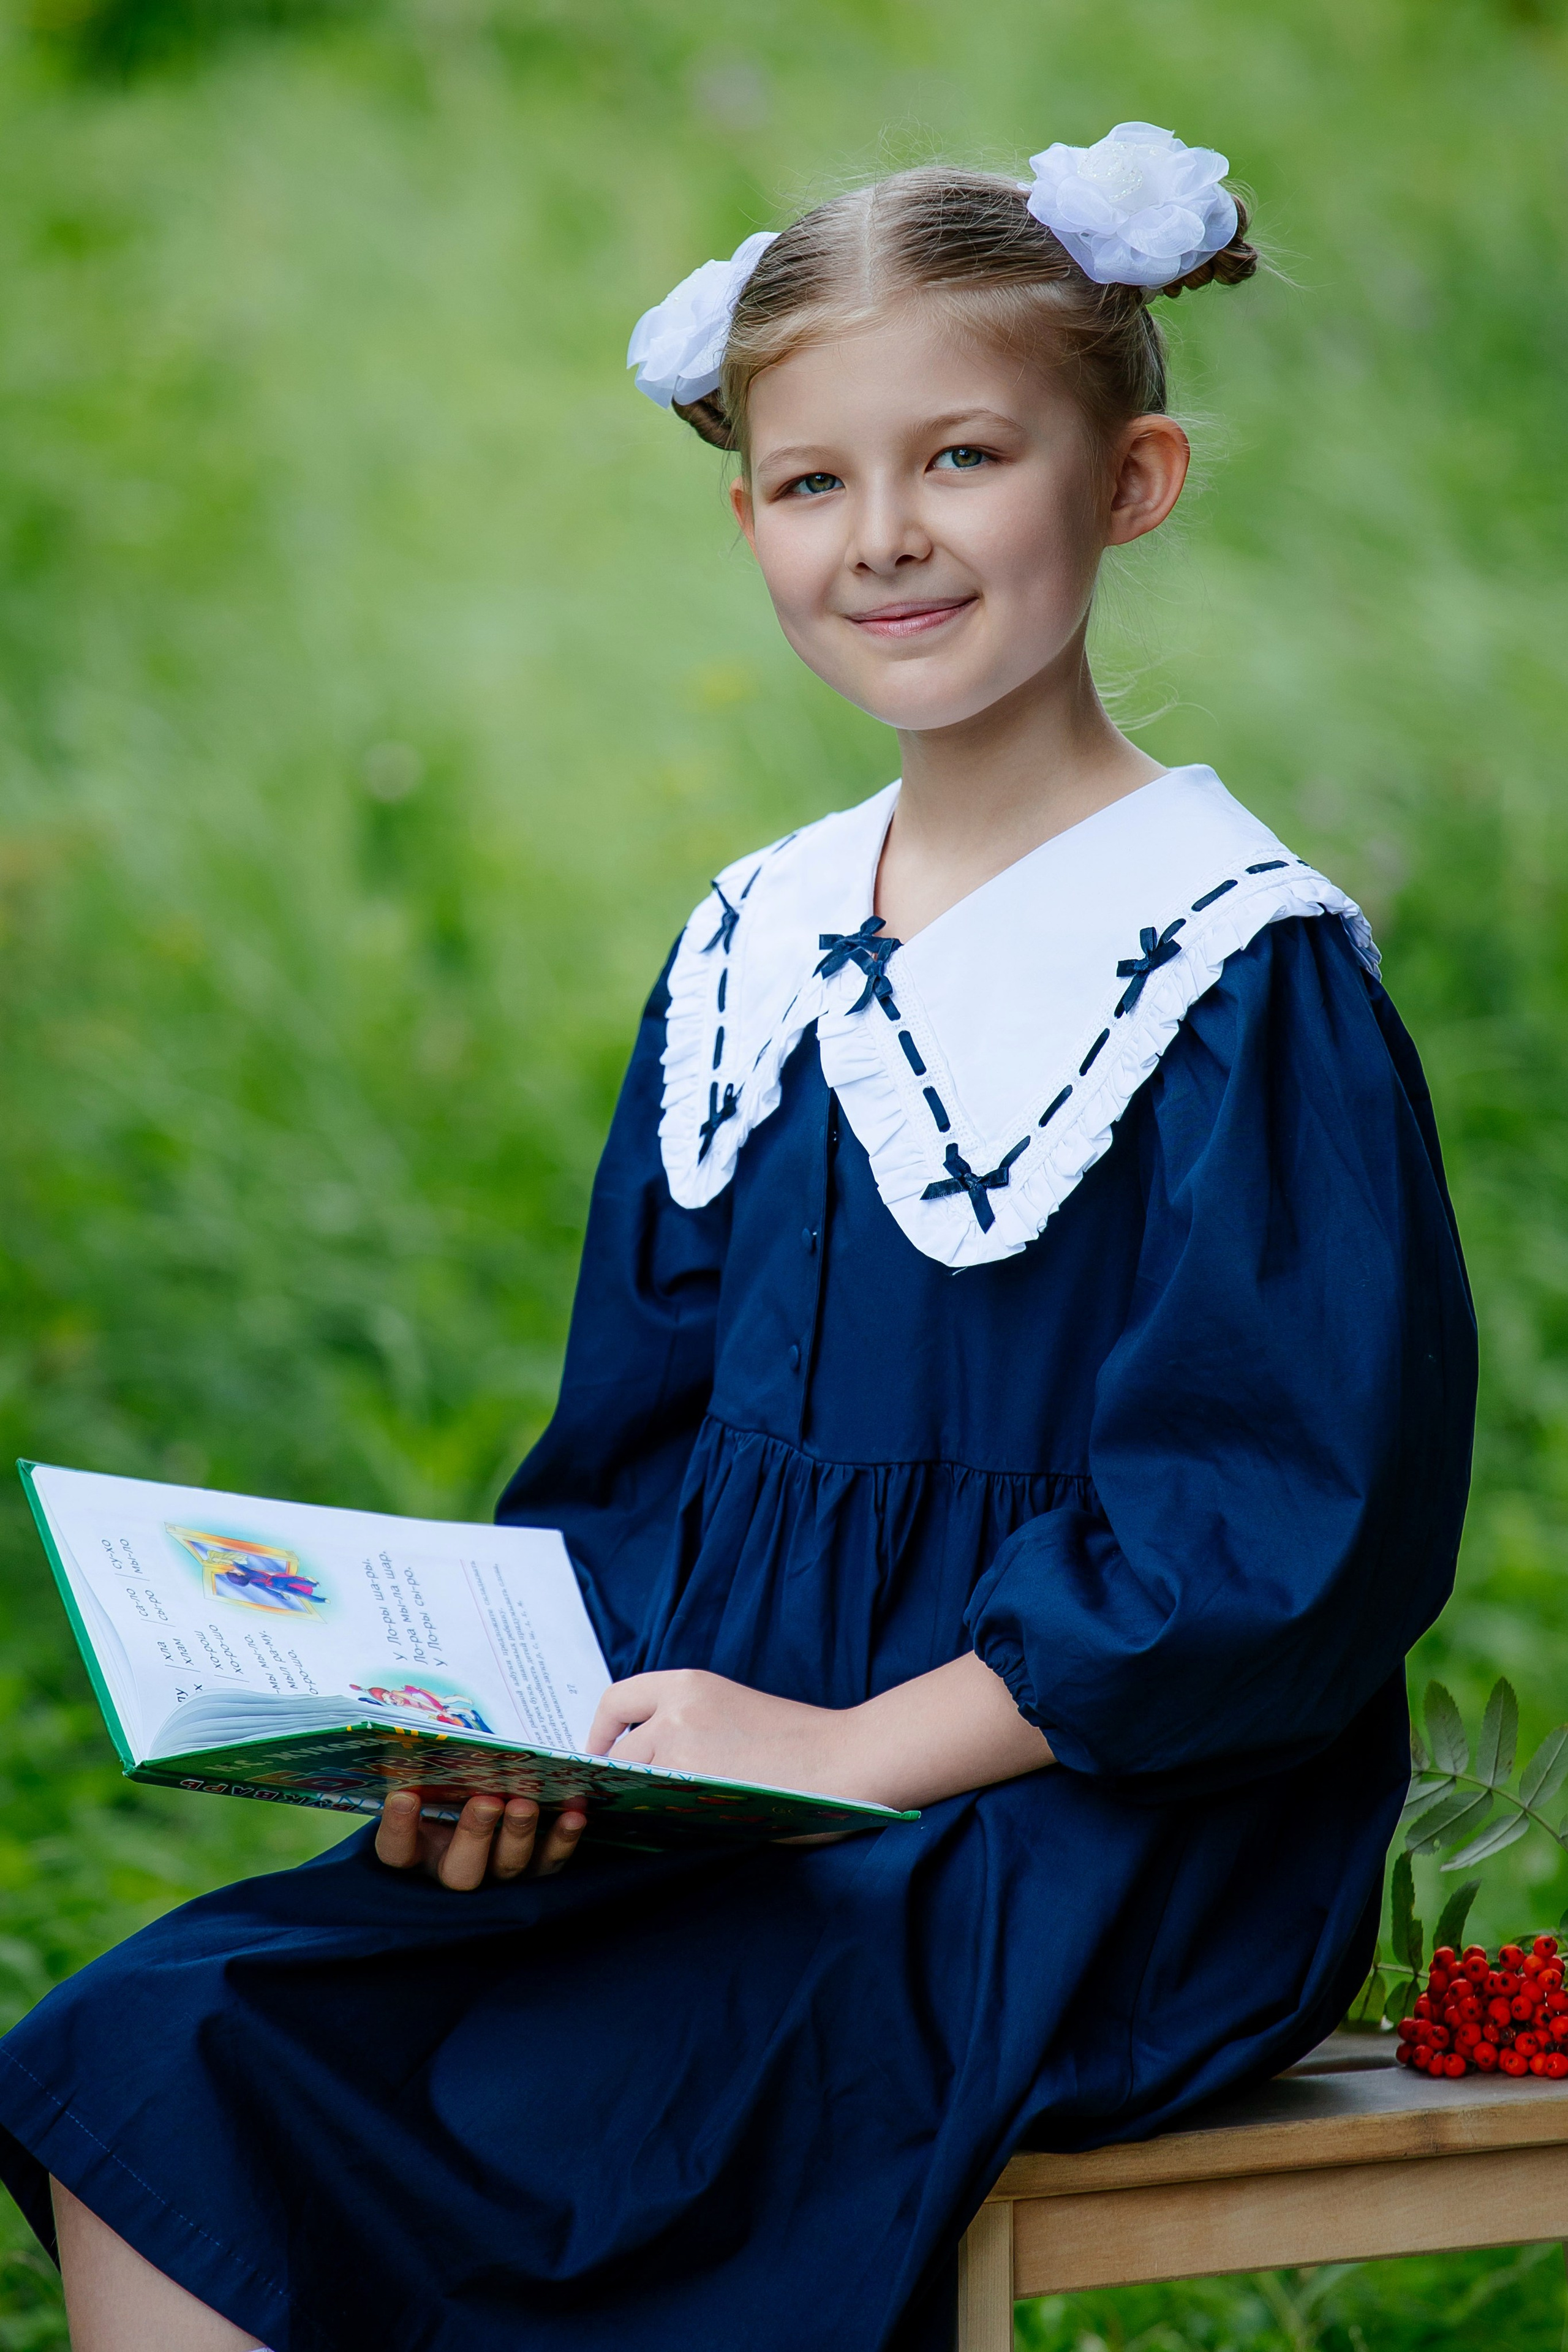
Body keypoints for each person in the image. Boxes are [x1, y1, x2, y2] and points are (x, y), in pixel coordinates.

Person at [0, 124, 1476, 2352]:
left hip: (1077, 1816)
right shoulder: (754, 941)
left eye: (963, 456)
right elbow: (637, 1449)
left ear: (1132, 478)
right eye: (813, 483)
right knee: (163, 2040)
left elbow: (1274, 1532)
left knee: (613, 2097)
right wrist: (519, 1745)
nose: (885, 538)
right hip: (716, 1781)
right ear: (748, 517)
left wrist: (851, 1751)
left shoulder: (1224, 971)